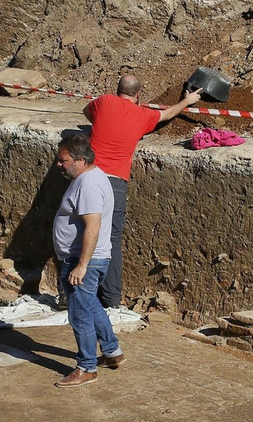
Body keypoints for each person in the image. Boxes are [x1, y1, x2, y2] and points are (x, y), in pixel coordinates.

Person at [84, 74, 202, 309]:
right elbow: (167, 114)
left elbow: (87, 112)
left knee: (83, 232)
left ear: (117, 90)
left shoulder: (104, 101)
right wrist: (187, 101)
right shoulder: (142, 114)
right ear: (139, 96)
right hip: (115, 182)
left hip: (89, 178)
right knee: (110, 240)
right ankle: (111, 300)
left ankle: (75, 293)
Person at [50, 131, 123, 388]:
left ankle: (87, 367)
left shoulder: (89, 185)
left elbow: (92, 226)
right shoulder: (86, 178)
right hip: (85, 259)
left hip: (85, 262)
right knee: (90, 305)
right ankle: (112, 352)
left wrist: (81, 265)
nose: (59, 164)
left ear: (80, 160)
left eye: (63, 160)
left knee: (79, 314)